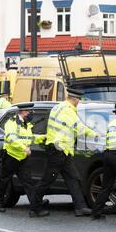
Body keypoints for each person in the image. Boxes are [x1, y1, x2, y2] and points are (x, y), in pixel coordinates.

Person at [29, 88, 98, 217]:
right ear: (75, 99)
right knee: (47, 180)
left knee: (73, 179)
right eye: (79, 100)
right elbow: (79, 127)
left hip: (62, 150)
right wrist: (95, 134)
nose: (79, 102)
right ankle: (34, 208)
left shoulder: (57, 108)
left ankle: (80, 207)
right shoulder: (68, 110)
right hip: (58, 150)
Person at [0, 104, 48, 215]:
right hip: (11, 156)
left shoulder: (26, 124)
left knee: (28, 182)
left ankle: (35, 208)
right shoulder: (12, 123)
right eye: (29, 112)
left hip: (22, 157)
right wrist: (24, 148)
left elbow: (28, 138)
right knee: (4, 180)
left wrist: (43, 137)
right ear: (22, 112)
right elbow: (11, 138)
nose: (31, 114)